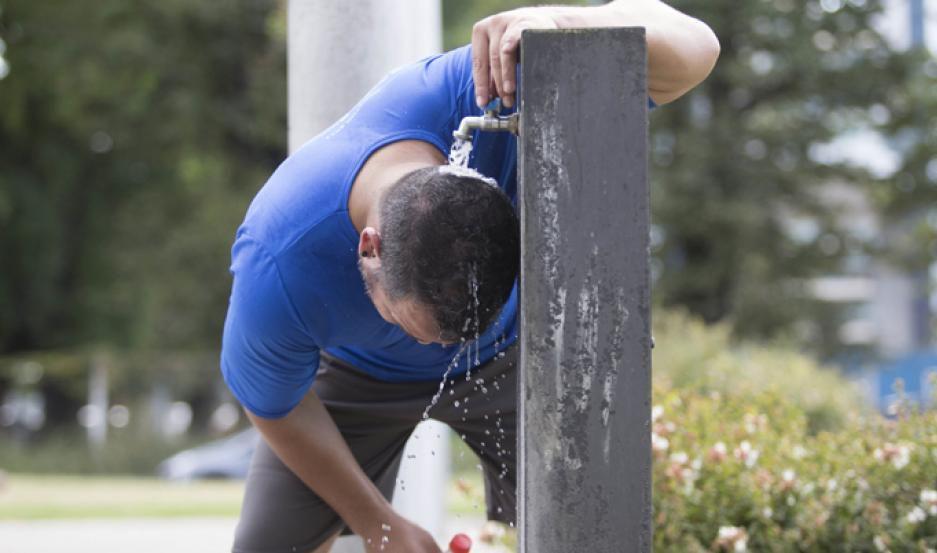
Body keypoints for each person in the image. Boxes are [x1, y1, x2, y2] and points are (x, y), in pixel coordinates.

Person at [221, 2, 719, 552]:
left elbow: (698, 50)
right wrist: (378, 523)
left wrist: (562, 24)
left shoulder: (492, 87)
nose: (440, 352)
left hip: (509, 355)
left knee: (603, 519)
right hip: (362, 373)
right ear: (370, 250)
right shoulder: (279, 260)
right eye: (418, 328)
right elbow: (275, 404)